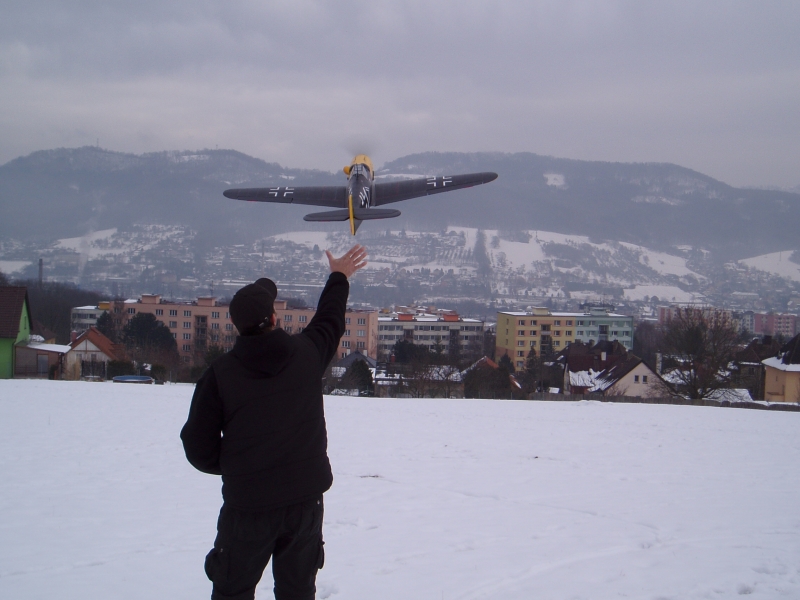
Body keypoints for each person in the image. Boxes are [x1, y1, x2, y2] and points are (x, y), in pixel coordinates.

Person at [181, 244, 368, 600]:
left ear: (237, 328)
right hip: (305, 505)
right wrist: (339, 276)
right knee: (297, 593)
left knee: (232, 592)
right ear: (275, 318)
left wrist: (238, 466)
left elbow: (197, 445)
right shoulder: (308, 354)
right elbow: (330, 319)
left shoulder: (220, 375)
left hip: (247, 508)